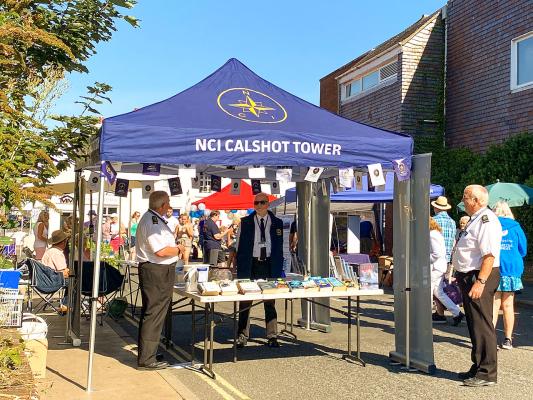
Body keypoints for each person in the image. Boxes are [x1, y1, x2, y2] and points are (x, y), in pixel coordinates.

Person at [452, 185, 502, 387]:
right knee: (474, 325)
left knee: (482, 324)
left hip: (480, 276)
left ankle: (487, 372)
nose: (463, 200)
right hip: (470, 275)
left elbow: (489, 255)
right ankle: (479, 364)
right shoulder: (476, 219)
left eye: (466, 197)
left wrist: (480, 282)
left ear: (478, 200)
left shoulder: (486, 220)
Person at [135, 191, 185, 370]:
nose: (169, 205)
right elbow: (161, 251)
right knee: (154, 312)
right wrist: (179, 249)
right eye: (168, 203)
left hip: (157, 269)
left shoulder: (153, 218)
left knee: (154, 312)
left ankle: (149, 352)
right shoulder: (153, 221)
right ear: (162, 205)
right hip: (156, 270)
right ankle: (147, 358)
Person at [236, 193, 284, 348]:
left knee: (269, 301)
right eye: (256, 202)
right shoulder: (245, 222)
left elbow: (279, 246)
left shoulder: (277, 222)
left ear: (268, 204)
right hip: (251, 263)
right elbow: (238, 245)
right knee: (245, 301)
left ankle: (272, 335)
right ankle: (242, 335)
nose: (258, 205)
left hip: (269, 264)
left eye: (262, 202)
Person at [492, 201, 527, 350]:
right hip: (512, 269)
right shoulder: (516, 227)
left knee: (493, 305)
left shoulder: (492, 225)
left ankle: (490, 339)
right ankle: (508, 340)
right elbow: (523, 250)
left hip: (495, 268)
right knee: (508, 305)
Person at [429, 217, 464, 325]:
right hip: (440, 266)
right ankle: (457, 313)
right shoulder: (436, 233)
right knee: (439, 292)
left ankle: (424, 315)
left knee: (428, 290)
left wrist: (424, 259)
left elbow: (436, 253)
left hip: (435, 267)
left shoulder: (431, 234)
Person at [41, 230, 70, 313]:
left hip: (47, 279)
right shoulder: (57, 253)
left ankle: (65, 305)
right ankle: (66, 306)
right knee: (74, 282)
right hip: (53, 281)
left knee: (71, 281)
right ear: (63, 242)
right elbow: (63, 272)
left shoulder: (50, 251)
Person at [203, 211, 233, 280]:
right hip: (213, 246)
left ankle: (223, 276)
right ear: (214, 215)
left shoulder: (206, 223)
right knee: (212, 264)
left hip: (210, 245)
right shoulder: (212, 224)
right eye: (218, 216)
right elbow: (217, 236)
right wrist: (226, 231)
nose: (218, 218)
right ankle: (211, 279)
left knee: (222, 260)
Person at [431, 196, 456, 262]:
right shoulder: (452, 222)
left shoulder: (433, 220)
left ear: (435, 207)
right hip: (447, 259)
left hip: (435, 259)